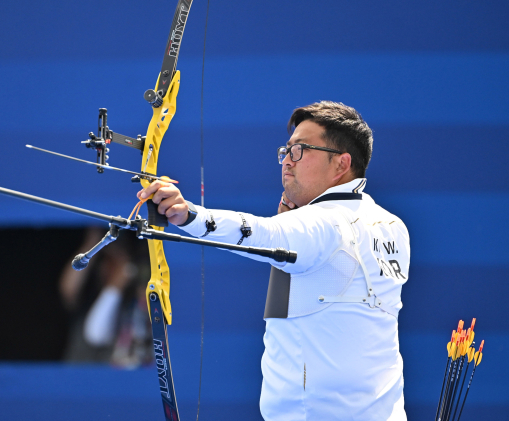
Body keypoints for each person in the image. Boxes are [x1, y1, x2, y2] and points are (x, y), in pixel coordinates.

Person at [137, 101, 410, 420]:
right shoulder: (393, 227)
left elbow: (264, 234)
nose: (287, 162)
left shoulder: (323, 225)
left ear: (341, 164)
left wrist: (189, 215)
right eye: (286, 150)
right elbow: (320, 294)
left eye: (300, 150)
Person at [59, 227, 153, 366]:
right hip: (80, 375)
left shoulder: (134, 300)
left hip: (121, 377)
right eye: (108, 261)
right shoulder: (88, 295)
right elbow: (67, 290)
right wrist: (93, 242)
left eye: (118, 262)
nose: (114, 267)